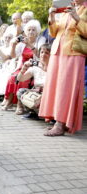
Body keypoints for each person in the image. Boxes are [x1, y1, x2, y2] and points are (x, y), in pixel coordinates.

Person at [39, 0, 87, 136]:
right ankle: (58, 120)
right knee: (56, 87)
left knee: (66, 88)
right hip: (57, 51)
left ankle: (60, 124)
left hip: (74, 52)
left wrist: (77, 18)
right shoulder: (67, 7)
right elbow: (54, 33)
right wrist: (52, 17)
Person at [16, 44, 50, 119]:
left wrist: (43, 66)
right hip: (37, 92)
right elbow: (20, 79)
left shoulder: (53, 66)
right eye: (42, 52)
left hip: (48, 93)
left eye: (47, 53)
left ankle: (47, 115)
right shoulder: (35, 66)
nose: (43, 55)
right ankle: (33, 113)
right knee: (21, 92)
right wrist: (24, 68)